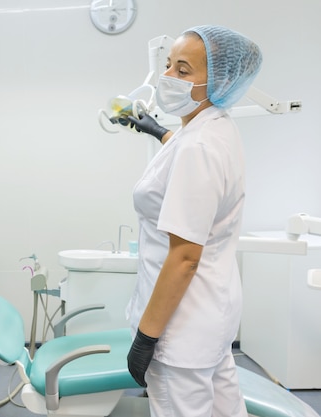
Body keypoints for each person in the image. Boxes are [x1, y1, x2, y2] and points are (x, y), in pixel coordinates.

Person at [124, 26, 263, 417]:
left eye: (183, 70)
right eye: (168, 65)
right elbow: (185, 154)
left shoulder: (198, 147)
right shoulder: (216, 128)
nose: (168, 77)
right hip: (211, 313)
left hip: (179, 327)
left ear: (219, 82)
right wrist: (155, 130)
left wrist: (146, 338)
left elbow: (184, 257)